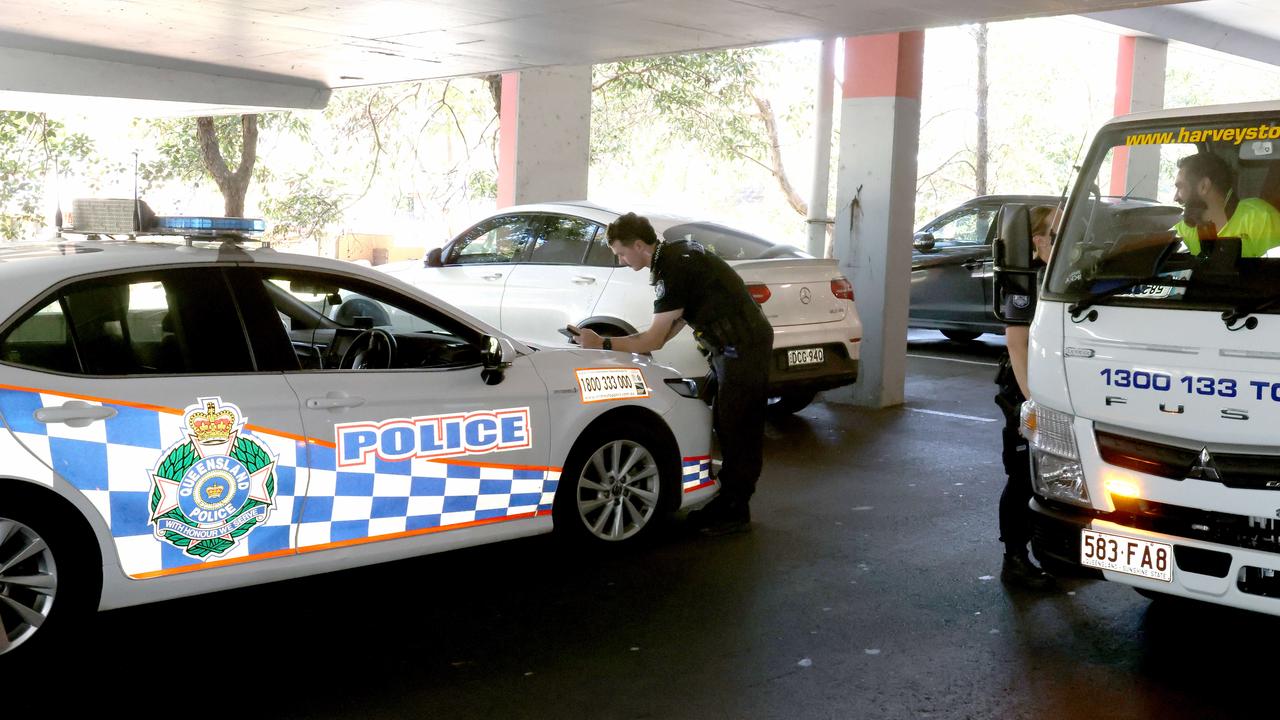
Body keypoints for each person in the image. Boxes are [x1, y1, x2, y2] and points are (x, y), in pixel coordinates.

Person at [575, 212, 774, 535]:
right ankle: (728, 500)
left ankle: (735, 510)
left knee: (738, 427)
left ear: (639, 245)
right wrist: (621, 344)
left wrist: (603, 341)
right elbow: (668, 329)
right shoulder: (676, 255)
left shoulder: (674, 266)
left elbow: (654, 339)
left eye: (622, 254)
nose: (623, 261)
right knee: (724, 421)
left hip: (742, 348)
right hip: (733, 347)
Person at [994, 204, 1059, 588]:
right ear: (1037, 241)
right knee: (1023, 475)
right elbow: (1017, 345)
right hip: (1026, 389)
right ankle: (1014, 561)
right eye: (1057, 234)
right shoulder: (1023, 280)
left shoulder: (1062, 277)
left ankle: (1046, 550)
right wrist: (1032, 402)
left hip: (1054, 388)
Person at [1173, 151, 1280, 257]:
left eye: (1180, 187)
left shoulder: (1259, 217)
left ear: (1203, 186)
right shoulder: (1185, 229)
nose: (1175, 197)